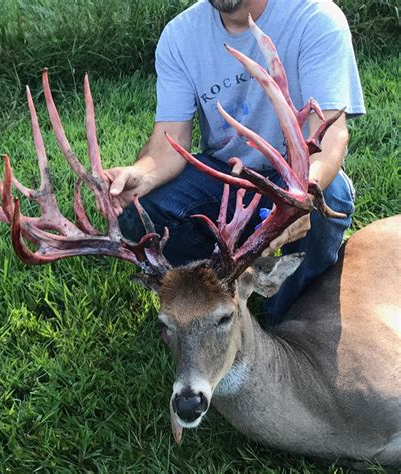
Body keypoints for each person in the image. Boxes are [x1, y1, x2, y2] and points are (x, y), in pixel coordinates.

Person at [104, 0, 365, 324]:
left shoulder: (314, 16)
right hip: (225, 174)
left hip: (296, 172)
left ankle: (288, 312)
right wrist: (138, 175)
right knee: (139, 213)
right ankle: (218, 292)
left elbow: (330, 135)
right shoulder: (181, 35)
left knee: (330, 196)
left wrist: (301, 193)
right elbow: (168, 144)